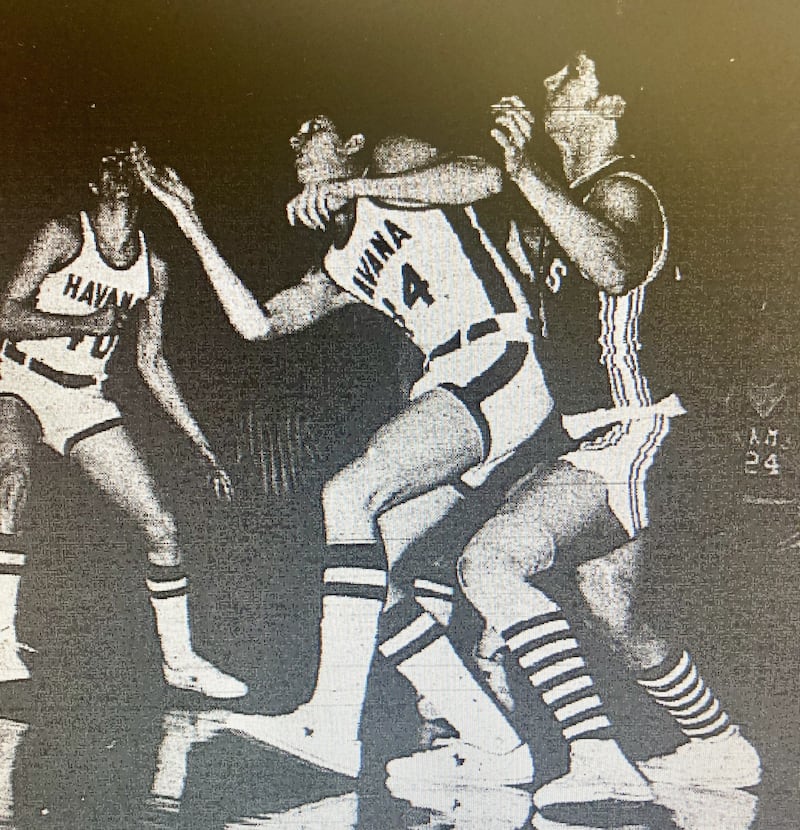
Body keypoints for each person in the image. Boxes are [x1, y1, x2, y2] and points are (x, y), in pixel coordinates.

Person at [387, 53, 761, 807]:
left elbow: (617, 268)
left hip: (638, 429)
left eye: (574, 78)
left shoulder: (625, 189)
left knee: (492, 563)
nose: (552, 82)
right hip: (594, 433)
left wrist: (525, 171)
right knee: (615, 608)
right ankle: (723, 748)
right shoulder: (561, 202)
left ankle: (597, 757)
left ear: (614, 104)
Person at [132, 117, 552, 782]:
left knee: (347, 493)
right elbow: (260, 324)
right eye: (291, 133)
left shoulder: (391, 156)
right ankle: (499, 747)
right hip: (454, 382)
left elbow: (486, 175)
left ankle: (330, 724)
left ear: (351, 144)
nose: (296, 138)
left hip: (497, 355)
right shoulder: (339, 260)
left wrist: (357, 182)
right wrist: (190, 221)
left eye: (313, 129)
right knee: (368, 567)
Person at [0, 149, 247, 699]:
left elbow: (152, 363)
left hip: (84, 396)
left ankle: (180, 663)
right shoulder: (64, 236)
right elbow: (6, 314)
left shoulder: (153, 269)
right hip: (19, 378)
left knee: (161, 525)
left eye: (126, 162)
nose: (117, 168)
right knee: (11, 477)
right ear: (93, 182)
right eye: (106, 161)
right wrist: (83, 319)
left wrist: (202, 445)